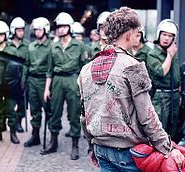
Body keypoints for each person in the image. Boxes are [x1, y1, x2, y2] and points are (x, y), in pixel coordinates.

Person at [78, 7, 185, 171]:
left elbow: (85, 115)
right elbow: (148, 117)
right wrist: (168, 148)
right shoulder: (134, 67)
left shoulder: (86, 69)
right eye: (137, 32)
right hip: (128, 152)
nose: (138, 36)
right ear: (128, 33)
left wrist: (91, 146)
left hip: (101, 148)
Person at [41, 12, 87, 160]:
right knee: (54, 113)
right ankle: (52, 142)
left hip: (73, 80)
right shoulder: (53, 47)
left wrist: (83, 88)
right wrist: (47, 89)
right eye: (59, 26)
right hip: (57, 81)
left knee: (74, 114)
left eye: (63, 26)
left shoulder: (79, 46)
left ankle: (75, 145)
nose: (60, 29)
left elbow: (84, 69)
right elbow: (49, 70)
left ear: (69, 27)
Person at [146, 19, 180, 141]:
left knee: (174, 128)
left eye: (170, 36)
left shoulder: (172, 52)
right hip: (161, 96)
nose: (166, 38)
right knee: (161, 127)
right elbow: (161, 72)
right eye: (164, 34)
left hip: (175, 95)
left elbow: (176, 76)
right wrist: (170, 56)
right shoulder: (152, 54)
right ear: (159, 35)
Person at [24, 17, 52, 147]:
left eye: (40, 29)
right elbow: (27, 65)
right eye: (35, 30)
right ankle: (35, 136)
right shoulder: (31, 46)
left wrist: (49, 86)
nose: (37, 32)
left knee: (49, 110)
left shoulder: (51, 46)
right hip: (32, 80)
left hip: (44, 80)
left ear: (46, 30)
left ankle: (53, 137)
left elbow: (52, 67)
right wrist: (24, 81)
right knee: (34, 110)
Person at [9, 17, 30, 133]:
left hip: (23, 79)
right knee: (10, 104)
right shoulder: (8, 46)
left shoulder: (28, 45)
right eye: (19, 30)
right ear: (13, 31)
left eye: (22, 30)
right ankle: (10, 122)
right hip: (10, 80)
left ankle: (18, 121)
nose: (21, 32)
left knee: (23, 104)